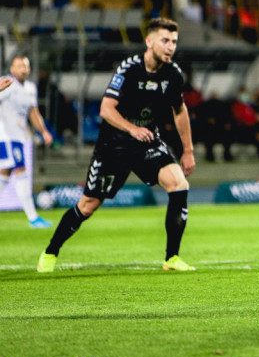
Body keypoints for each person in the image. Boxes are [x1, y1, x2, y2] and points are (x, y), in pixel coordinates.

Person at [37, 18, 197, 273]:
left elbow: (180, 110)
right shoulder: (129, 69)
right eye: (165, 41)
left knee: (178, 184)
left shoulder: (173, 74)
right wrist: (132, 129)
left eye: (174, 42)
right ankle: (51, 251)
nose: (170, 47)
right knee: (88, 205)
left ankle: (172, 258)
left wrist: (187, 150)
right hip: (115, 144)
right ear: (149, 41)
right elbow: (106, 109)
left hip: (146, 141)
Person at [0, 57, 54, 227]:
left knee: (5, 174)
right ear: (11, 68)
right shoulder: (5, 83)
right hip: (6, 136)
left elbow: (33, 112)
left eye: (25, 66)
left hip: (19, 135)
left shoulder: (30, 88)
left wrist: (44, 131)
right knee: (21, 171)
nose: (22, 69)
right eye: (18, 66)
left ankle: (33, 218)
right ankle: (33, 218)